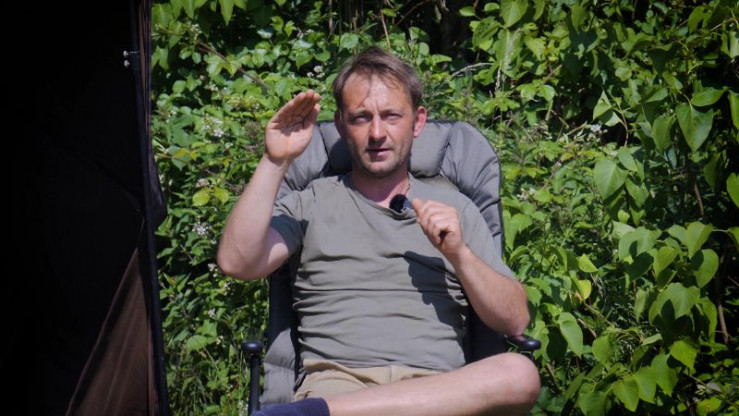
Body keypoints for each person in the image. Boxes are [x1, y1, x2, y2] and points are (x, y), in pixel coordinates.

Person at [217, 47, 540, 416]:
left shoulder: (456, 210)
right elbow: (236, 262)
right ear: (341, 125)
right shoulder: (312, 203)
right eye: (361, 118)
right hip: (337, 386)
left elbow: (515, 320)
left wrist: (460, 254)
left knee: (519, 372)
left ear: (417, 121)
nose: (376, 133)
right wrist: (276, 161)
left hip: (437, 394)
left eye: (391, 116)